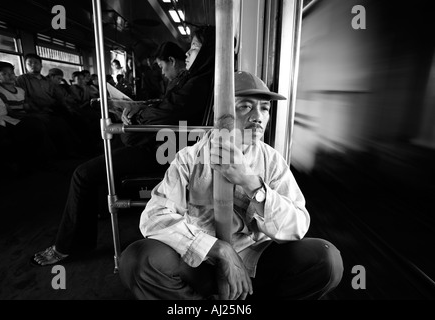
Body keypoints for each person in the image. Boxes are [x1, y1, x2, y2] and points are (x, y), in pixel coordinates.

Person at [118, 71, 344, 300]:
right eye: (245, 106)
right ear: (221, 112)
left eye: (264, 108)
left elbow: (296, 227)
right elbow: (154, 218)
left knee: (327, 260)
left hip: (254, 259)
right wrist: (220, 249)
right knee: (137, 260)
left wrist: (251, 183)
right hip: (200, 261)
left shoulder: (272, 161)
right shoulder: (189, 158)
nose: (258, 117)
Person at [31, 27, 216, 266]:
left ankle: (68, 246)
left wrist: (138, 116)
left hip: (167, 150)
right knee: (103, 158)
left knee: (82, 174)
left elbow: (168, 112)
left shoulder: (199, 83)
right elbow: (167, 109)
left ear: (207, 52)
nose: (188, 53)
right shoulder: (197, 78)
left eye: (194, 47)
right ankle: (91, 213)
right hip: (168, 142)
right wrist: (140, 112)